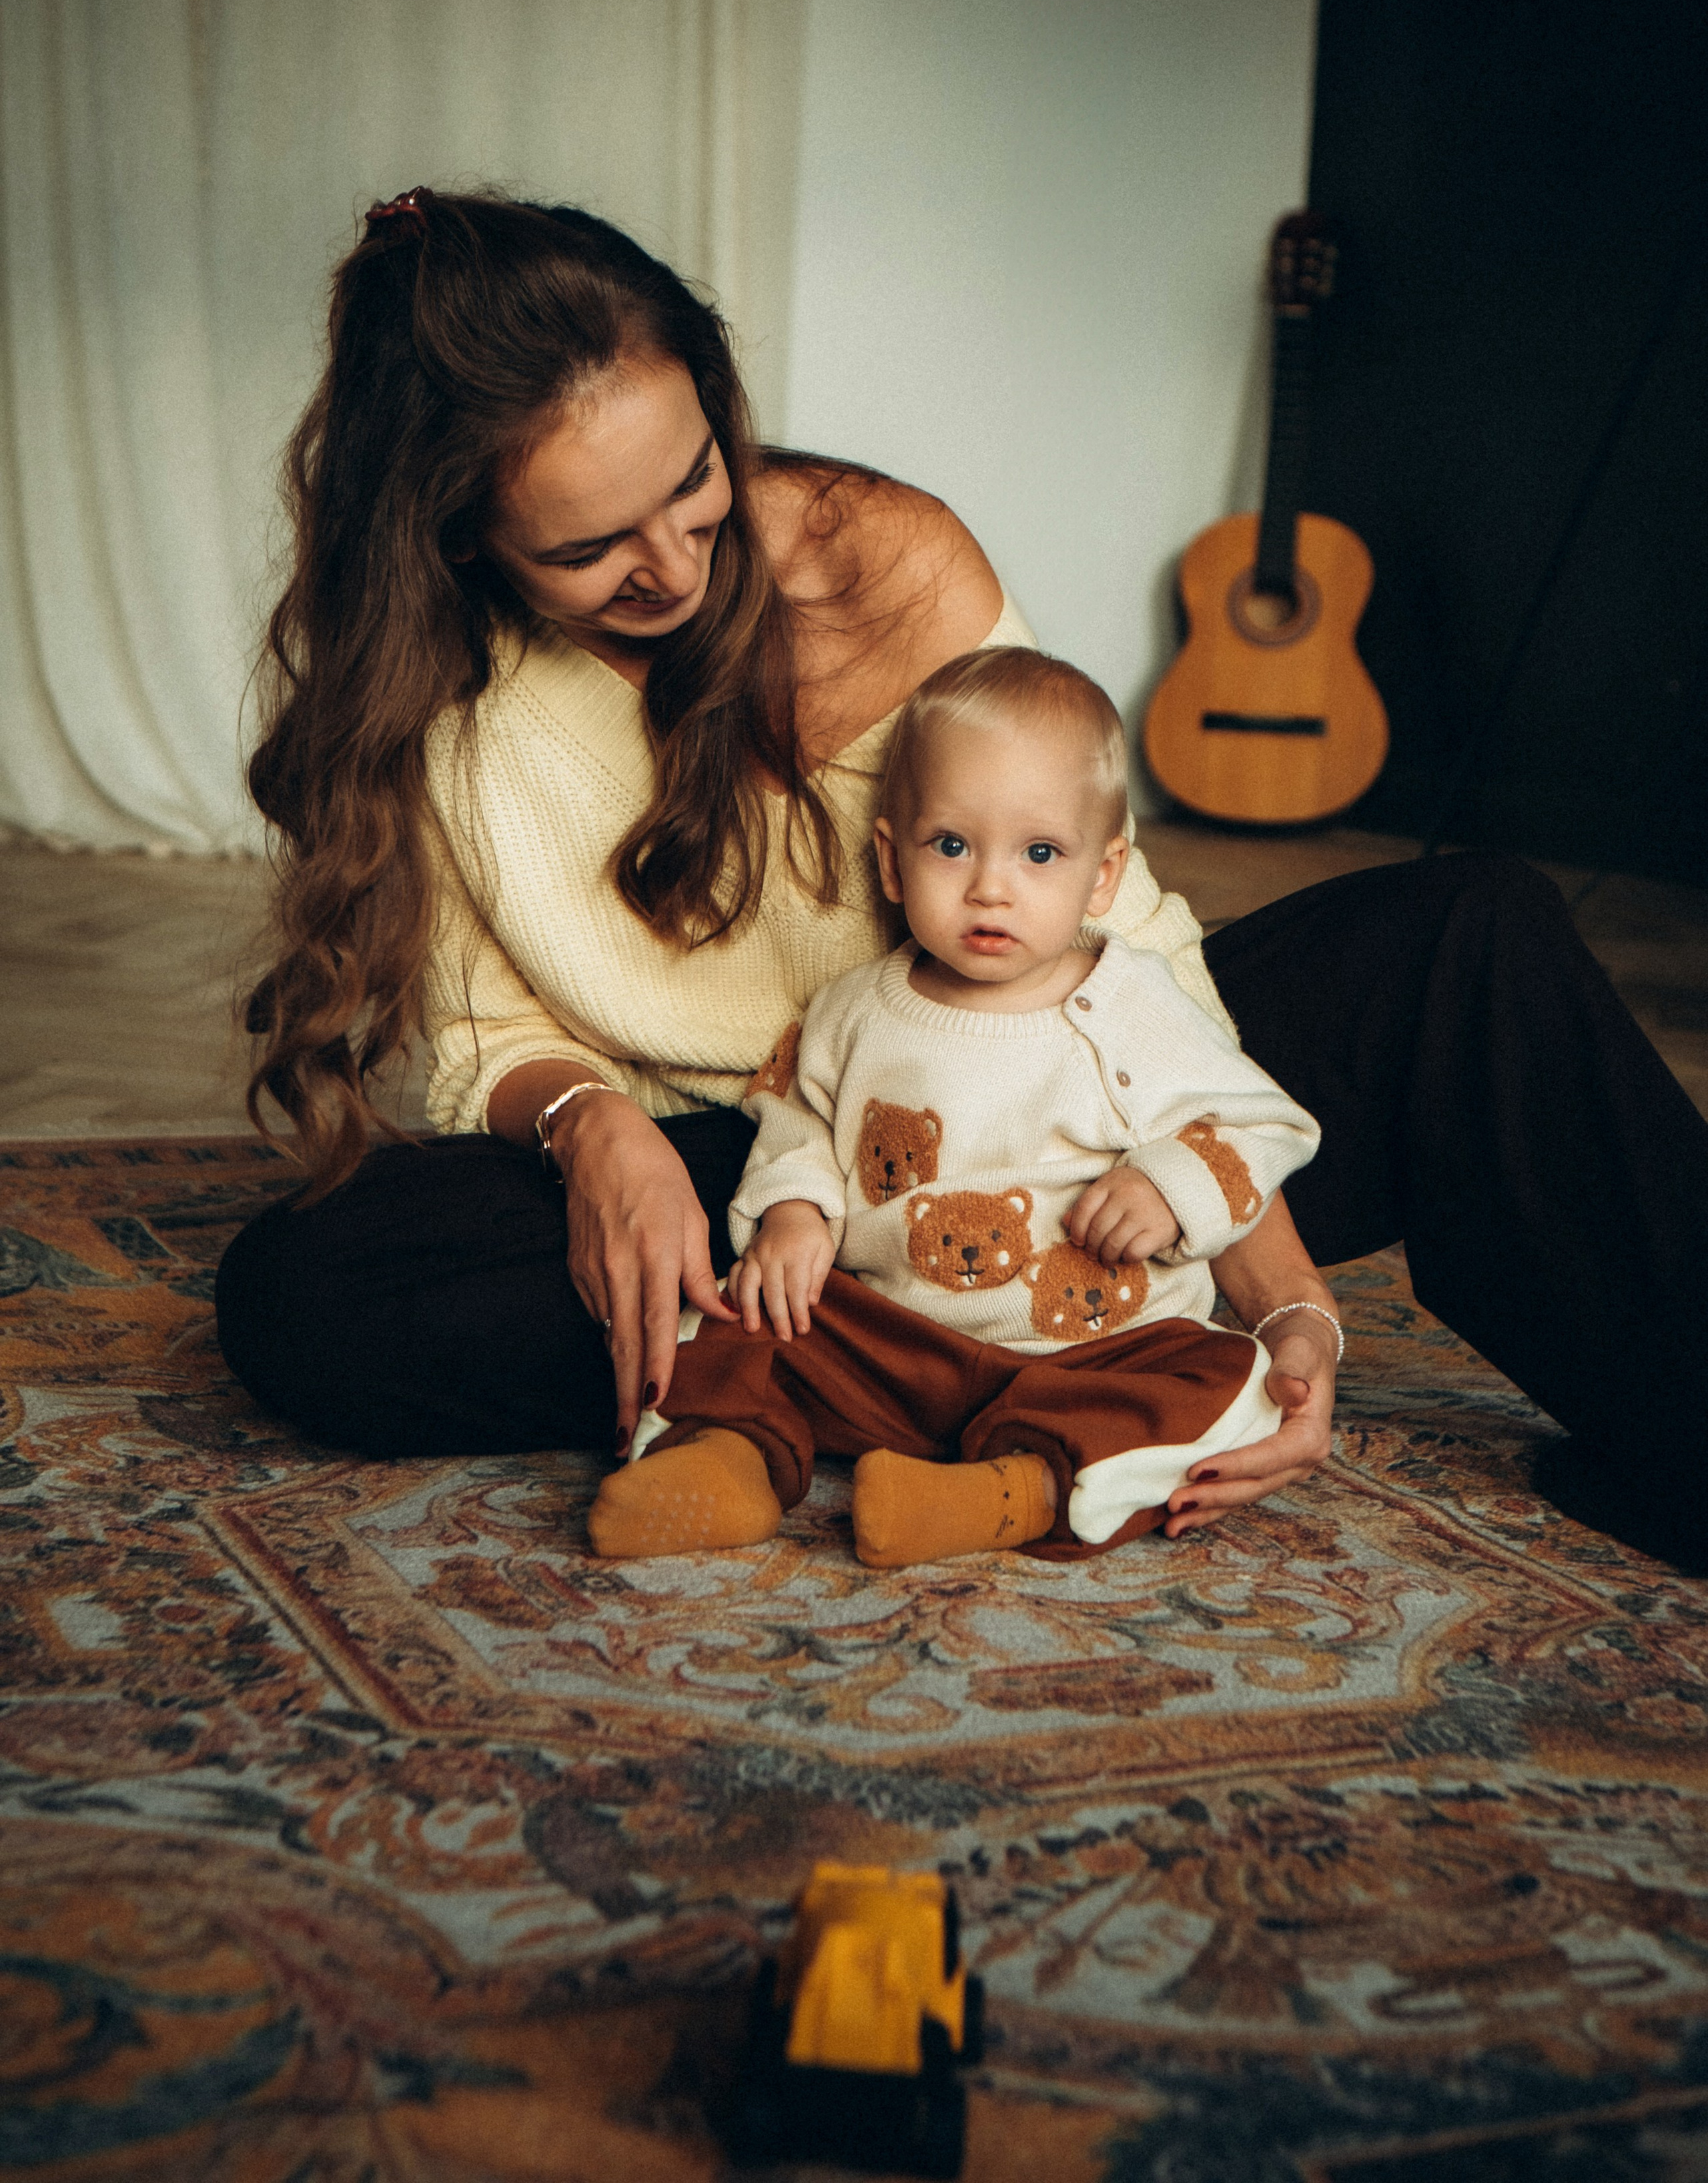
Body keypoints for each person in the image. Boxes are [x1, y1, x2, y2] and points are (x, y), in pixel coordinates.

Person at [216, 188, 1708, 1572]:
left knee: (1473, 933)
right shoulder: (433, 698)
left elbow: (1109, 931)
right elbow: (487, 1041)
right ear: (456, 534)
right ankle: (959, 1375)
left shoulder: (875, 562)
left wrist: (1287, 1312)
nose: (672, 567)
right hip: (781, 1183)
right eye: (592, 548)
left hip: (1067, 1131)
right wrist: (592, 1123)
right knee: (304, 1291)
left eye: (694, 490)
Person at [585, 647, 1325, 1568]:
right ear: (893, 862)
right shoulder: (857, 1009)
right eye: (952, 846)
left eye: (1041, 853)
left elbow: (1267, 1123)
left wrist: (1172, 1185)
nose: (990, 886)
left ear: (1103, 877)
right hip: (897, 1346)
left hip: (1094, 1354)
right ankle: (726, 1459)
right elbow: (797, 1117)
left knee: (1235, 1382)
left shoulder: (1133, 1004)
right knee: (733, 1315)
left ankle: (1009, 1494)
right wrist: (793, 1213)